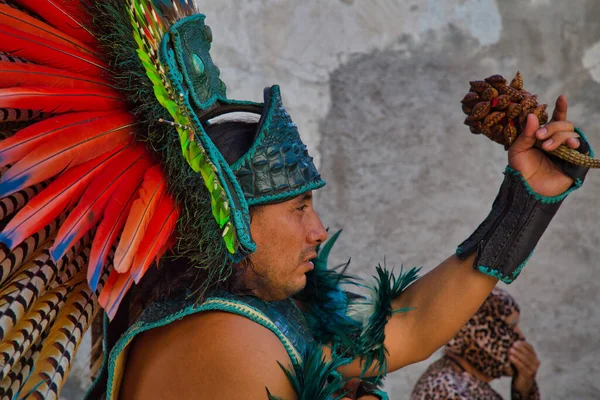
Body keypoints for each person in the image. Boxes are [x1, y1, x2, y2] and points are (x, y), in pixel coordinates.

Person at [0, 1, 593, 399]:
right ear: (231, 223)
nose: (318, 230)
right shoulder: (227, 340)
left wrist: (528, 201)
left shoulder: (251, 312)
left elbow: (404, 334)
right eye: (297, 208)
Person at [411, 287, 541, 400]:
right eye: (511, 326)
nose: (520, 336)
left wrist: (525, 389)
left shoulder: (459, 382)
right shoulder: (448, 391)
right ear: (479, 333)